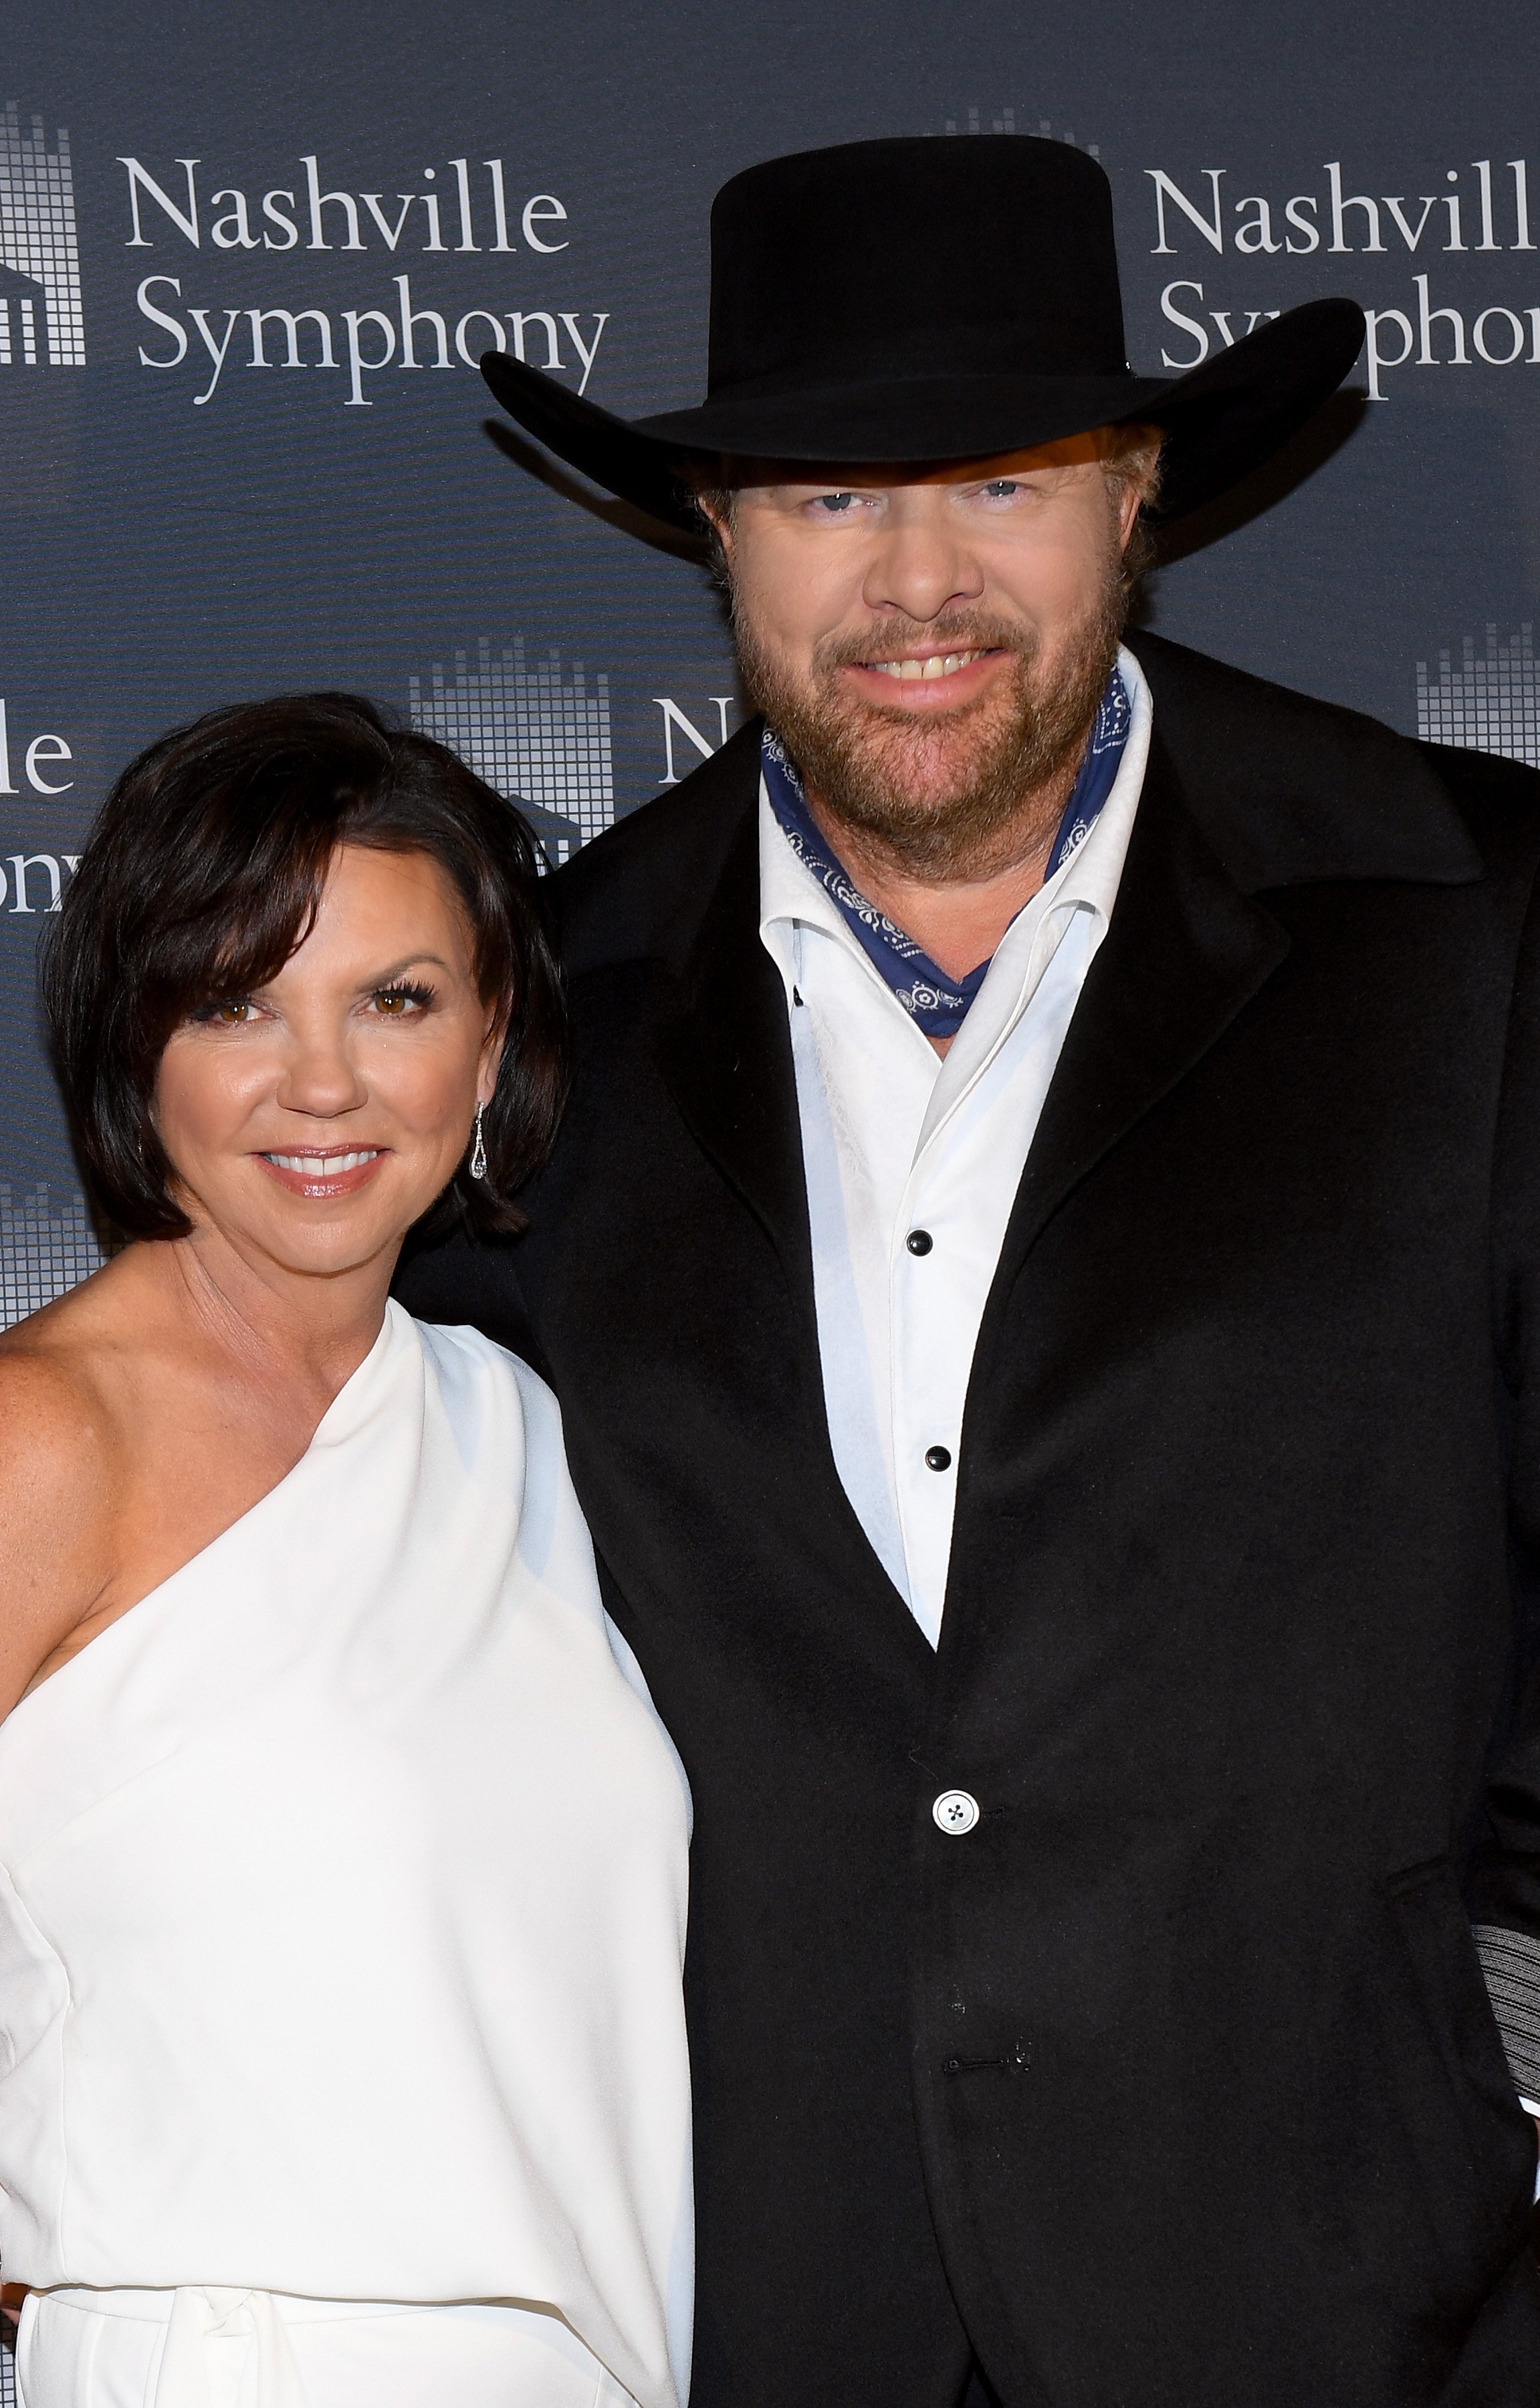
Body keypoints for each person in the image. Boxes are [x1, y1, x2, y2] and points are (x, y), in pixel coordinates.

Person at [397, 132, 1540, 2405]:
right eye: (828, 502)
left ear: (1138, 494)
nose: (920, 583)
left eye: (1004, 486)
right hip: (745, 2317)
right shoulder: (524, 1021)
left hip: (1356, 2314)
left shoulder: (1478, 935)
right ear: (708, 528)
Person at [0, 695, 693, 2408]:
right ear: (139, 1047)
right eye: (239, 1004)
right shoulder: (44, 1443)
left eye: (396, 1000)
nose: (326, 1082)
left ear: (491, 1050)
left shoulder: (516, 1429)